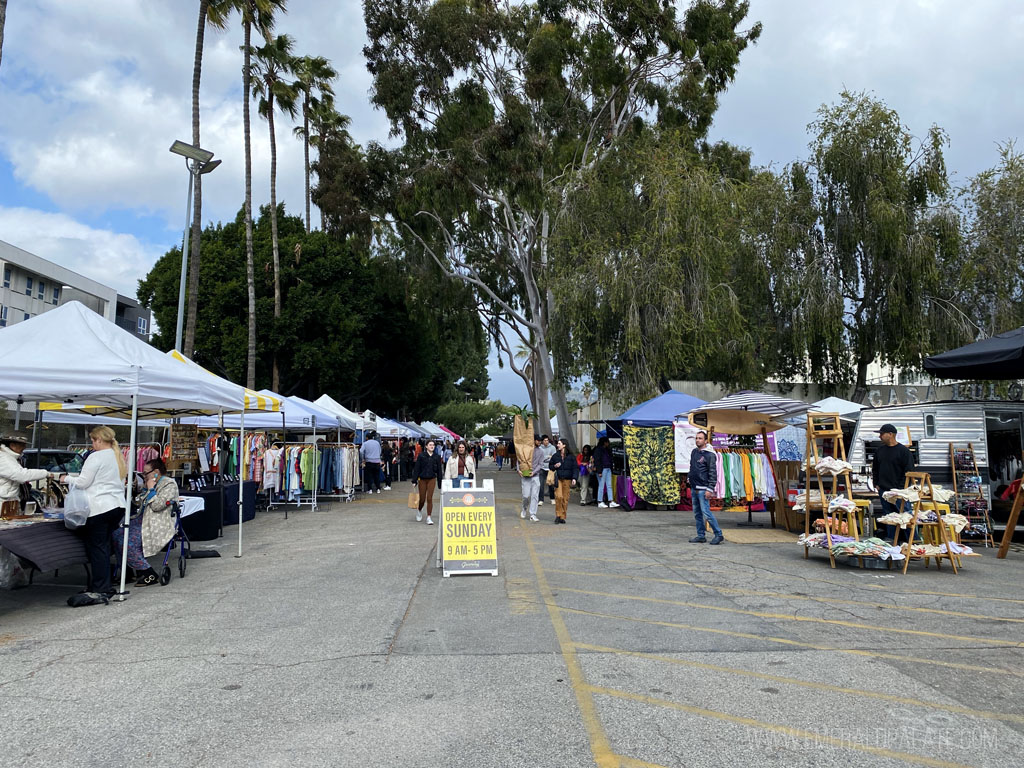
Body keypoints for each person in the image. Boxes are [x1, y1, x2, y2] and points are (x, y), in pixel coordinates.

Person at [58, 426, 129, 597]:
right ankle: (103, 584)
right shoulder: (117, 456)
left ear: (98, 439)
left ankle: (100, 586)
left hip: (99, 507)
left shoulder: (95, 456)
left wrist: (65, 478)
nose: (92, 444)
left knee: (96, 548)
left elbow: (83, 482)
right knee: (103, 547)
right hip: (117, 505)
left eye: (92, 440)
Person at [0, 432, 57, 589]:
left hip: (7, 503)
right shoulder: (4, 458)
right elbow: (20, 475)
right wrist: (46, 473)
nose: (23, 448)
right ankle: (6, 578)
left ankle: (7, 577)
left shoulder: (10, 458)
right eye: (21, 445)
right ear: (12, 445)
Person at [112, 458, 177, 587]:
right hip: (142, 519)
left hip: (158, 522)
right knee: (117, 534)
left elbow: (157, 506)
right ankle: (128, 571)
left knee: (128, 540)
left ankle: (148, 572)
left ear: (156, 472)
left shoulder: (169, 485)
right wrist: (138, 491)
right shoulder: (148, 484)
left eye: (146, 473)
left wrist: (151, 490)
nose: (144, 475)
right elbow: (138, 502)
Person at [872, 423, 915, 542]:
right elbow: (875, 468)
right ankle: (891, 540)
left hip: (899, 491)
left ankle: (912, 542)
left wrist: (900, 488)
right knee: (888, 516)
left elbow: (909, 471)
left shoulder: (903, 451)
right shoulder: (880, 451)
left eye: (882, 434)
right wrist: (876, 483)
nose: (880, 436)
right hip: (884, 489)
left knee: (905, 516)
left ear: (891, 434)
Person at [688, 431, 724, 545]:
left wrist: (710, 489)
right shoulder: (694, 452)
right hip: (695, 487)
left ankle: (718, 534)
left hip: (703, 488)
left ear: (705, 441)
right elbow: (692, 467)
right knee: (697, 513)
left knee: (706, 512)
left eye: (700, 438)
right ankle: (701, 535)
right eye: (696, 438)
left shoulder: (710, 455)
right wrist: (690, 479)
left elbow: (713, 473)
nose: (698, 440)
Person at [411, 439, 444, 525]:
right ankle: (419, 510)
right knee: (422, 499)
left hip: (432, 479)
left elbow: (439, 470)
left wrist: (440, 482)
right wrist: (414, 480)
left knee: (429, 498)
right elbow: (417, 468)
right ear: (426, 446)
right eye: (430, 445)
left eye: (433, 445)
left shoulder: (436, 456)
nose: (432, 446)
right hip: (422, 479)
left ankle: (429, 517)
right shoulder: (421, 456)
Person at [549, 438, 579, 524]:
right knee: (559, 497)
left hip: (567, 479)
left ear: (564, 445)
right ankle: (558, 515)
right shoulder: (555, 456)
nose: (557, 445)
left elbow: (575, 468)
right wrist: (555, 466)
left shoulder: (571, 457)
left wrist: (574, 478)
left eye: (559, 443)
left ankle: (562, 516)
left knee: (565, 499)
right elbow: (550, 466)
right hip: (558, 479)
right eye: (557, 444)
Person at [520, 434, 543, 523]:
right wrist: (519, 470)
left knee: (535, 496)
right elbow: (520, 460)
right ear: (533, 440)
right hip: (525, 476)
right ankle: (524, 508)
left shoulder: (540, 452)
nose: (539, 442)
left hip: (535, 476)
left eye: (540, 441)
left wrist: (534, 471)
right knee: (526, 496)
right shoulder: (525, 450)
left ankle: (533, 514)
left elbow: (540, 464)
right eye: (538, 440)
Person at [593, 437, 619, 508]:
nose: (608, 443)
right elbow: (597, 461)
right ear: (604, 442)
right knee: (601, 485)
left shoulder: (607, 450)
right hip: (602, 469)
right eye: (607, 442)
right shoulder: (598, 450)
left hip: (607, 468)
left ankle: (610, 501)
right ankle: (600, 501)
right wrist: (599, 471)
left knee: (609, 485)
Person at [538, 435, 557, 505]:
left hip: (550, 468)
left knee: (551, 484)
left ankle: (552, 498)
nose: (546, 442)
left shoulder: (552, 448)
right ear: (542, 441)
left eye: (547, 440)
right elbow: (540, 458)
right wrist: (548, 457)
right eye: (545, 440)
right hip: (542, 468)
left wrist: (546, 457)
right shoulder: (540, 448)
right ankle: (541, 499)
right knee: (540, 484)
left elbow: (554, 457)